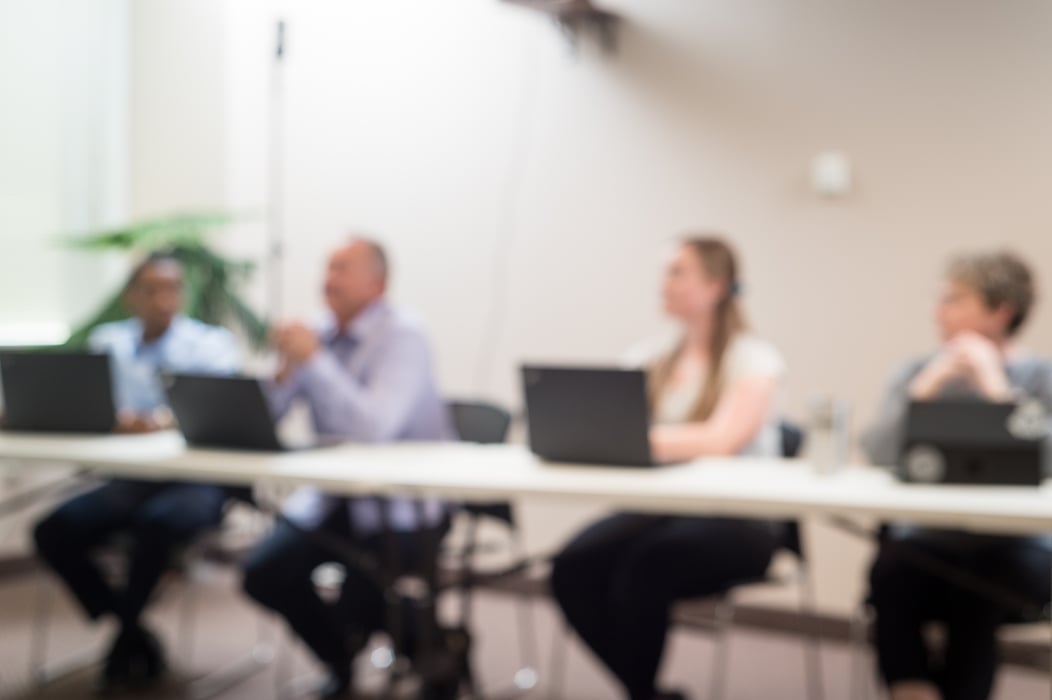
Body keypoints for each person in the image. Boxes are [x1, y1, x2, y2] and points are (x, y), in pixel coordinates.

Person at [549, 236, 787, 700]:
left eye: (678, 272)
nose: (665, 283)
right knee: (573, 566)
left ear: (716, 285)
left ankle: (642, 693)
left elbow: (722, 440)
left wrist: (642, 439)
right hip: (662, 508)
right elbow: (608, 425)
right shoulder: (649, 358)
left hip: (739, 518)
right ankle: (649, 692)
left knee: (644, 568)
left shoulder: (753, 359)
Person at [241, 237, 454, 699]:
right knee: (264, 572)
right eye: (327, 266)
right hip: (334, 497)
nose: (327, 279)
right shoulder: (317, 332)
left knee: (368, 597)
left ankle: (437, 654)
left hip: (402, 505)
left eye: (341, 269)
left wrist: (314, 361)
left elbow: (375, 427)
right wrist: (280, 374)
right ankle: (342, 660)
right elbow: (270, 416)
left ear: (375, 285)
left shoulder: (404, 335)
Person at [33, 252, 240, 690]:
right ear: (132, 296)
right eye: (153, 289)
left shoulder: (209, 344)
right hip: (130, 479)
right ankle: (132, 630)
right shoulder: (110, 342)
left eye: (173, 289)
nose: (164, 299)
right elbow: (82, 403)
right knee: (52, 530)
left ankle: (126, 637)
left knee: (157, 526)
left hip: (196, 480)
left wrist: (159, 421)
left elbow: (221, 412)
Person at [861, 251, 1052, 700]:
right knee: (893, 572)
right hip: (930, 540)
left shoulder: (1040, 376)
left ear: (999, 311)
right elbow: (876, 451)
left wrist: (998, 392)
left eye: (953, 299)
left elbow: (1046, 460)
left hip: (1018, 546)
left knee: (975, 586)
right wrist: (921, 392)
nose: (937, 310)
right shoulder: (917, 372)